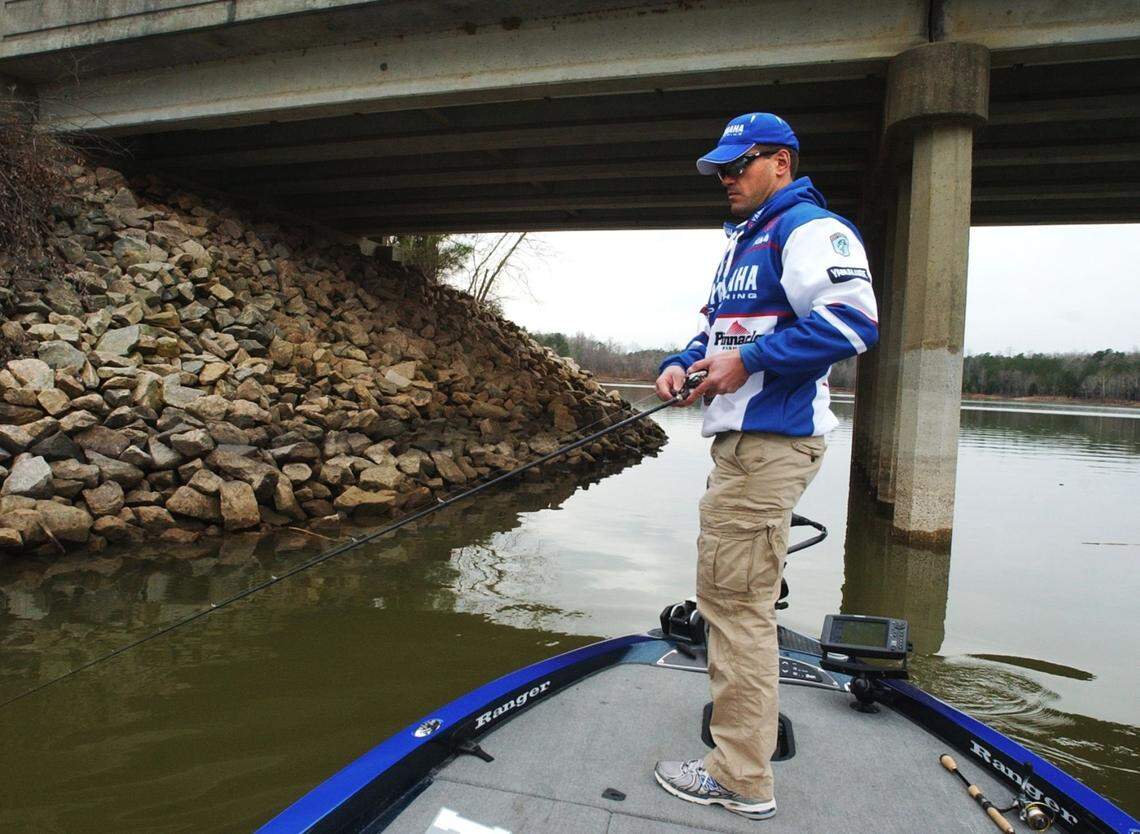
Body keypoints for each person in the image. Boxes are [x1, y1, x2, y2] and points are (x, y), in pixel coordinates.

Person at [652, 113, 879, 820]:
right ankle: (741, 753)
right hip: (745, 447)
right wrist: (682, 363)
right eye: (720, 169)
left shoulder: (810, 229)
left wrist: (745, 361)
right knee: (733, 601)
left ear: (780, 162)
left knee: (734, 608)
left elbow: (853, 323)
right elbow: (722, 331)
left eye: (738, 165)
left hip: (769, 444)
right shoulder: (744, 244)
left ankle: (740, 776)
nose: (726, 178)